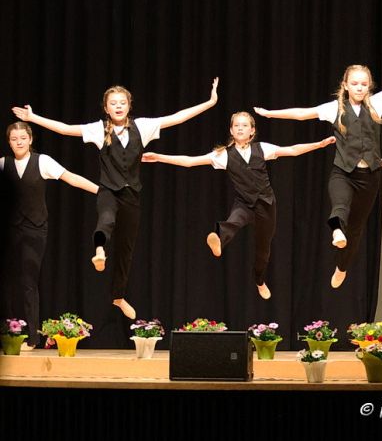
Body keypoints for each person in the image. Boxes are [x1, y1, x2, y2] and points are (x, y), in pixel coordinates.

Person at [12, 78, 219, 318]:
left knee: (125, 248)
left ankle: (118, 297)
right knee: (106, 218)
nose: (118, 106)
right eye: (113, 103)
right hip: (108, 190)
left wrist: (210, 102)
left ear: (129, 106)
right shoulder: (98, 129)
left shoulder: (142, 127)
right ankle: (99, 250)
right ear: (106, 108)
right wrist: (32, 118)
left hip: (132, 194)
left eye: (122, 102)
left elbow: (178, 117)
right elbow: (65, 128)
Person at [254, 46, 382, 289]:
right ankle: (336, 231)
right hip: (343, 171)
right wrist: (270, 114)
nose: (360, 88)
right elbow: (302, 114)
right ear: (346, 85)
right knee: (339, 205)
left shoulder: (378, 102)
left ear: (368, 86)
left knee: (357, 229)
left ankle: (341, 266)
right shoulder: (334, 108)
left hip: (369, 176)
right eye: (355, 83)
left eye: (364, 84)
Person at [143, 112, 334, 299]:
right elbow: (190, 161)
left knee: (263, 249)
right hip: (244, 203)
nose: (240, 128)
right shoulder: (223, 155)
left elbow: (292, 150)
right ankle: (217, 238)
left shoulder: (262, 148)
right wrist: (160, 157)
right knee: (232, 222)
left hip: (266, 205)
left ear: (252, 131)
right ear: (231, 131)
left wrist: (318, 144)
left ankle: (259, 281)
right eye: (237, 126)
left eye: (244, 125)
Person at [2, 122, 98, 348]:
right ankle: (8, 335)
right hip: (9, 229)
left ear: (30, 139)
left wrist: (101, 191)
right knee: (6, 282)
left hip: (35, 228)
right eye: (14, 139)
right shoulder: (3, 164)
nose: (18, 142)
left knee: (28, 282)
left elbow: (71, 177)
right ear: (9, 142)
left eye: (22, 138)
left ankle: (32, 339)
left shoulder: (42, 161)